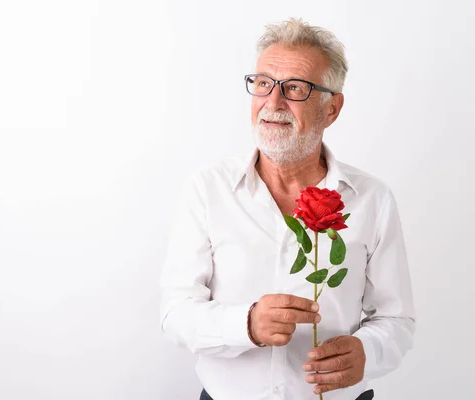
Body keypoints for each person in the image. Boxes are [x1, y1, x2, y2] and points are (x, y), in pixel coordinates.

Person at [159, 18, 415, 400]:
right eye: (263, 83)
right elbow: (175, 314)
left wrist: (369, 352)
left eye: (294, 88)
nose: (272, 103)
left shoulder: (373, 199)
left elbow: (396, 320)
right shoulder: (207, 188)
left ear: (331, 110)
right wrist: (245, 324)